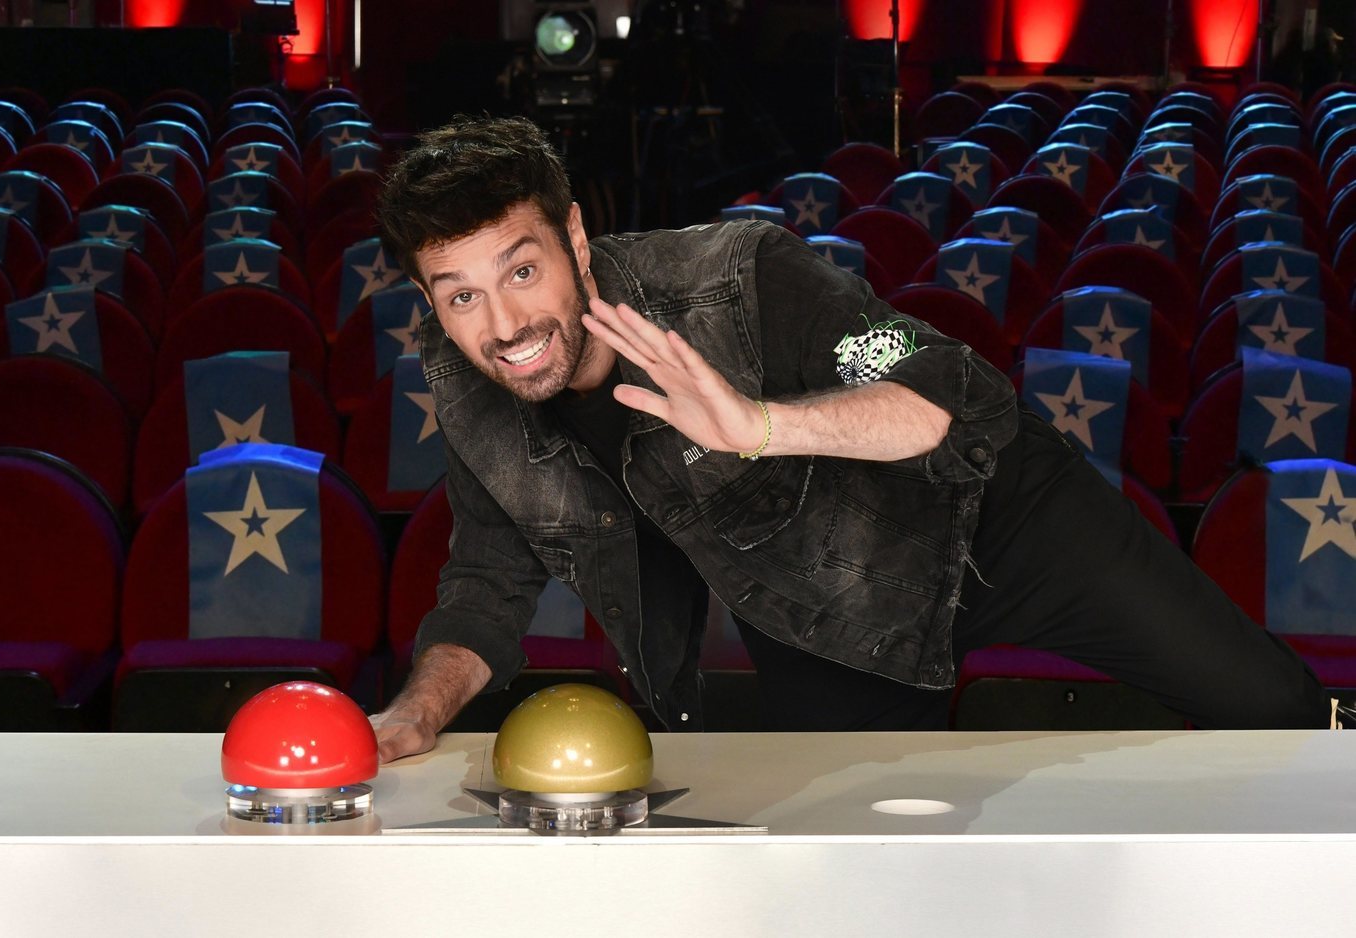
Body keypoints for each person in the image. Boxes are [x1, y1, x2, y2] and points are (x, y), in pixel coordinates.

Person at [369, 115, 1346, 763]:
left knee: (1277, 714)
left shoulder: (739, 274)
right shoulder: (473, 387)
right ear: (429, 301)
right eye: (462, 295)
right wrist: (413, 715)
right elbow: (485, 584)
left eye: (522, 271)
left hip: (1008, 527)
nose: (505, 323)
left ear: (576, 240)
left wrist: (759, 425)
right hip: (829, 608)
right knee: (847, 870)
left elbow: (949, 393)